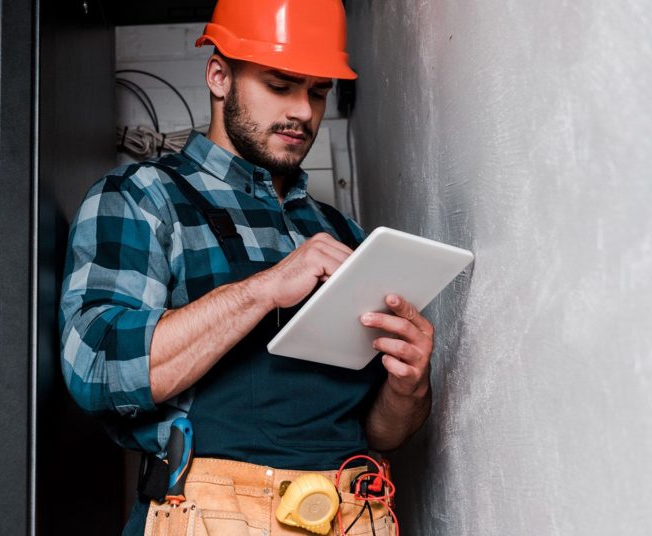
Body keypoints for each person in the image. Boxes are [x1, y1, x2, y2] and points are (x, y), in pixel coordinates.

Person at [60, 1, 433, 534]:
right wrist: (262, 290)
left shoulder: (344, 233)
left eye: (318, 91)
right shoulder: (144, 197)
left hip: (352, 512)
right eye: (281, 86)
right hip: (213, 512)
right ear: (219, 76)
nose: (304, 112)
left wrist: (408, 388)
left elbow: (379, 433)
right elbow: (95, 365)